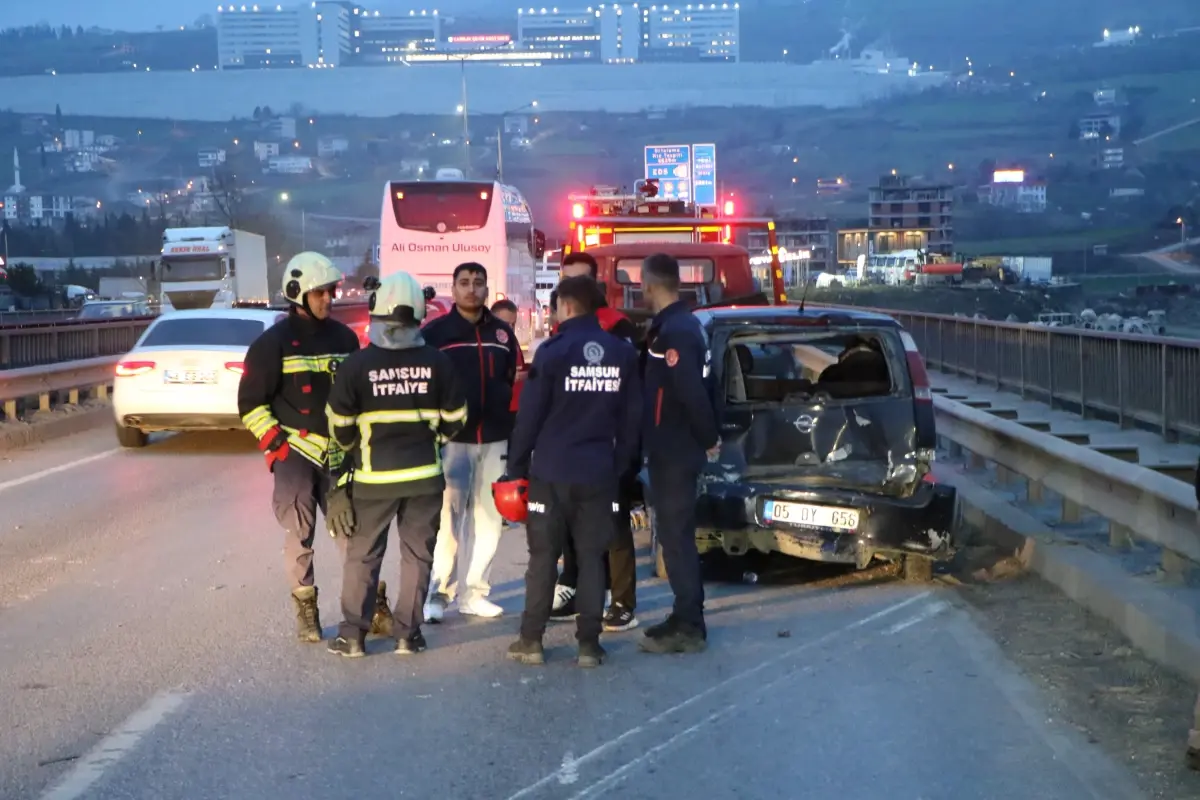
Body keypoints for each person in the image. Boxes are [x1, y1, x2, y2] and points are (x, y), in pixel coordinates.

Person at [237, 252, 392, 643]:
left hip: (340, 454)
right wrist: (279, 447)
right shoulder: (271, 345)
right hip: (295, 454)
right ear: (297, 294)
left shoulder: (344, 339)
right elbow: (250, 405)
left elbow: (360, 395)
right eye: (321, 293)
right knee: (300, 533)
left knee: (353, 533)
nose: (329, 299)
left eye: (331, 292)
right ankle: (307, 609)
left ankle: (370, 607)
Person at [324, 271, 468, 658]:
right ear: (419, 313)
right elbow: (457, 418)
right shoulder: (438, 363)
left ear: (377, 309)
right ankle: (408, 634)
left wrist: (356, 448)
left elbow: (339, 426)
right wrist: (432, 439)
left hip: (373, 481)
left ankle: (352, 636)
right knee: (418, 557)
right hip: (425, 479)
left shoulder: (357, 366)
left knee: (364, 556)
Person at [499, 275, 641, 667]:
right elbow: (632, 422)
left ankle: (531, 640)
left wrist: (515, 466)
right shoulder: (622, 353)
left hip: (551, 472)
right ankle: (589, 645)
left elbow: (530, 415)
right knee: (592, 557)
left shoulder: (553, 351)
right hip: (599, 472)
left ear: (565, 306)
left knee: (543, 557)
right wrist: (623, 470)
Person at [547, 252, 642, 632]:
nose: (570, 287)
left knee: (614, 527)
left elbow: (629, 395)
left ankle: (622, 602)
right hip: (570, 448)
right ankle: (578, 590)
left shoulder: (618, 328)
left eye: (579, 279)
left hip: (608, 445)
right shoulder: (561, 329)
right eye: (565, 279)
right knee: (570, 525)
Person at [421, 263, 521, 621]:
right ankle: (437, 592)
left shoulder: (502, 334)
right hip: (452, 440)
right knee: (448, 519)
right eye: (464, 283)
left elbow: (512, 379)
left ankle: (475, 592)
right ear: (453, 287)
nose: (471, 289)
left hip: (494, 438)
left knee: (489, 518)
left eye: (478, 283)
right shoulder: (435, 334)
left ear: (486, 288)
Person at [638, 252, 721, 655]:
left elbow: (690, 391)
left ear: (649, 283)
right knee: (672, 537)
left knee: (677, 538)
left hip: (676, 448)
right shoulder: (674, 326)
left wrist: (708, 437)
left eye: (641, 282)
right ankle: (682, 613)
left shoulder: (678, 331)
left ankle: (690, 624)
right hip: (670, 445)